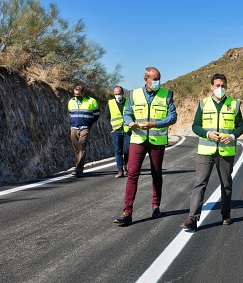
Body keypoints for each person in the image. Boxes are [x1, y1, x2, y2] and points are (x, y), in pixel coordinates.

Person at [180, 73, 243, 231]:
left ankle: (225, 214)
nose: (220, 88)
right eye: (217, 85)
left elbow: (241, 127)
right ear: (211, 87)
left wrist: (232, 136)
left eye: (223, 85)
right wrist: (207, 134)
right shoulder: (203, 104)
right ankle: (193, 218)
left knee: (226, 184)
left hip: (226, 151)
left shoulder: (234, 104)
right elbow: (195, 126)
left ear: (226, 86)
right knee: (200, 184)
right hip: (206, 151)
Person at [113, 67, 177, 225]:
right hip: (138, 139)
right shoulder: (134, 94)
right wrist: (130, 123)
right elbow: (127, 113)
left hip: (157, 141)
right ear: (145, 80)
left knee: (156, 173)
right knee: (132, 174)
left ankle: (156, 206)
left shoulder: (167, 94)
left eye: (159, 79)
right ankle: (127, 212)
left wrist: (155, 124)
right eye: (154, 79)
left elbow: (172, 117)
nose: (157, 82)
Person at [68, 84, 100, 177]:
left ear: (83, 93)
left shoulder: (91, 101)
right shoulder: (71, 101)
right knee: (76, 148)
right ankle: (79, 167)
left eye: (78, 94)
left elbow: (97, 114)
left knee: (82, 146)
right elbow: (70, 113)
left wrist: (89, 122)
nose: (77, 96)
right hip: (74, 127)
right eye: (75, 95)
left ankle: (78, 168)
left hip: (85, 127)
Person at [103, 86, 131, 178]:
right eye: (116, 94)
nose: (118, 96)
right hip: (116, 131)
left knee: (128, 149)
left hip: (127, 130)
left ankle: (125, 165)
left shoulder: (129, 102)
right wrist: (110, 128)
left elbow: (133, 114)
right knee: (118, 150)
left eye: (119, 94)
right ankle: (120, 170)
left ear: (123, 93)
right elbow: (106, 117)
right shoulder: (110, 103)